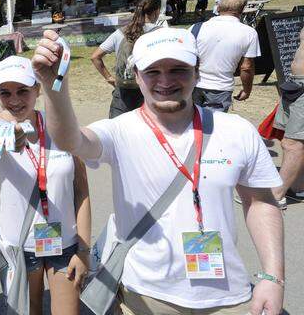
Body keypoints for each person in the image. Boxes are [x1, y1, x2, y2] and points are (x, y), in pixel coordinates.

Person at [31, 27, 284, 315]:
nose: (165, 81)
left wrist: (273, 277)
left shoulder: (236, 130)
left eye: (178, 69)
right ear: (136, 76)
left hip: (228, 298)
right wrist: (55, 87)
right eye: (153, 71)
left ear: (197, 72)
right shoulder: (119, 130)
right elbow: (70, 140)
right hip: (146, 296)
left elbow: (260, 202)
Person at [0, 56, 92, 315]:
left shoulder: (62, 126)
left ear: (37, 89)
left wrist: (83, 250)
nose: (14, 100)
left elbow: (82, 190)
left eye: (23, 91)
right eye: (5, 93)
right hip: (21, 246)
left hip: (66, 243)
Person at [90, 0, 161, 118]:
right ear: (157, 11)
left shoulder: (121, 32)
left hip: (123, 90)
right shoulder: (161, 33)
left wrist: (109, 78)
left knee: (117, 130)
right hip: (150, 91)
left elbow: (95, 57)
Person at [190, 0, 258, 112]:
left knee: (190, 125)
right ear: (242, 9)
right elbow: (246, 67)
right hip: (220, 87)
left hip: (192, 84)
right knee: (214, 127)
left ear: (219, 7)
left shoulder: (196, 28)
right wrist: (247, 90)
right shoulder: (249, 33)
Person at [273, 27, 304, 208]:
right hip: (295, 84)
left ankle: (276, 195)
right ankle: (299, 186)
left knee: (293, 143)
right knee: (289, 141)